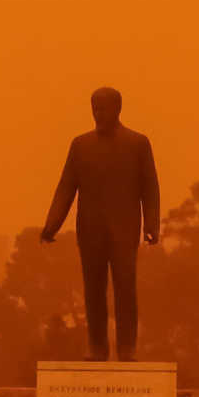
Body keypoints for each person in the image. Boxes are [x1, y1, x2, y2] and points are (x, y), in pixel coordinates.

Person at [39, 86, 161, 362]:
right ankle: (97, 346)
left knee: (125, 287)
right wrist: (51, 225)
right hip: (90, 228)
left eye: (103, 108)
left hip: (124, 228)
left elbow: (150, 187)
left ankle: (127, 347)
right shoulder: (80, 146)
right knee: (93, 288)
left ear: (118, 109)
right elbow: (66, 188)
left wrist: (152, 224)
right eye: (94, 108)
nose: (97, 113)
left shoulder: (137, 144)